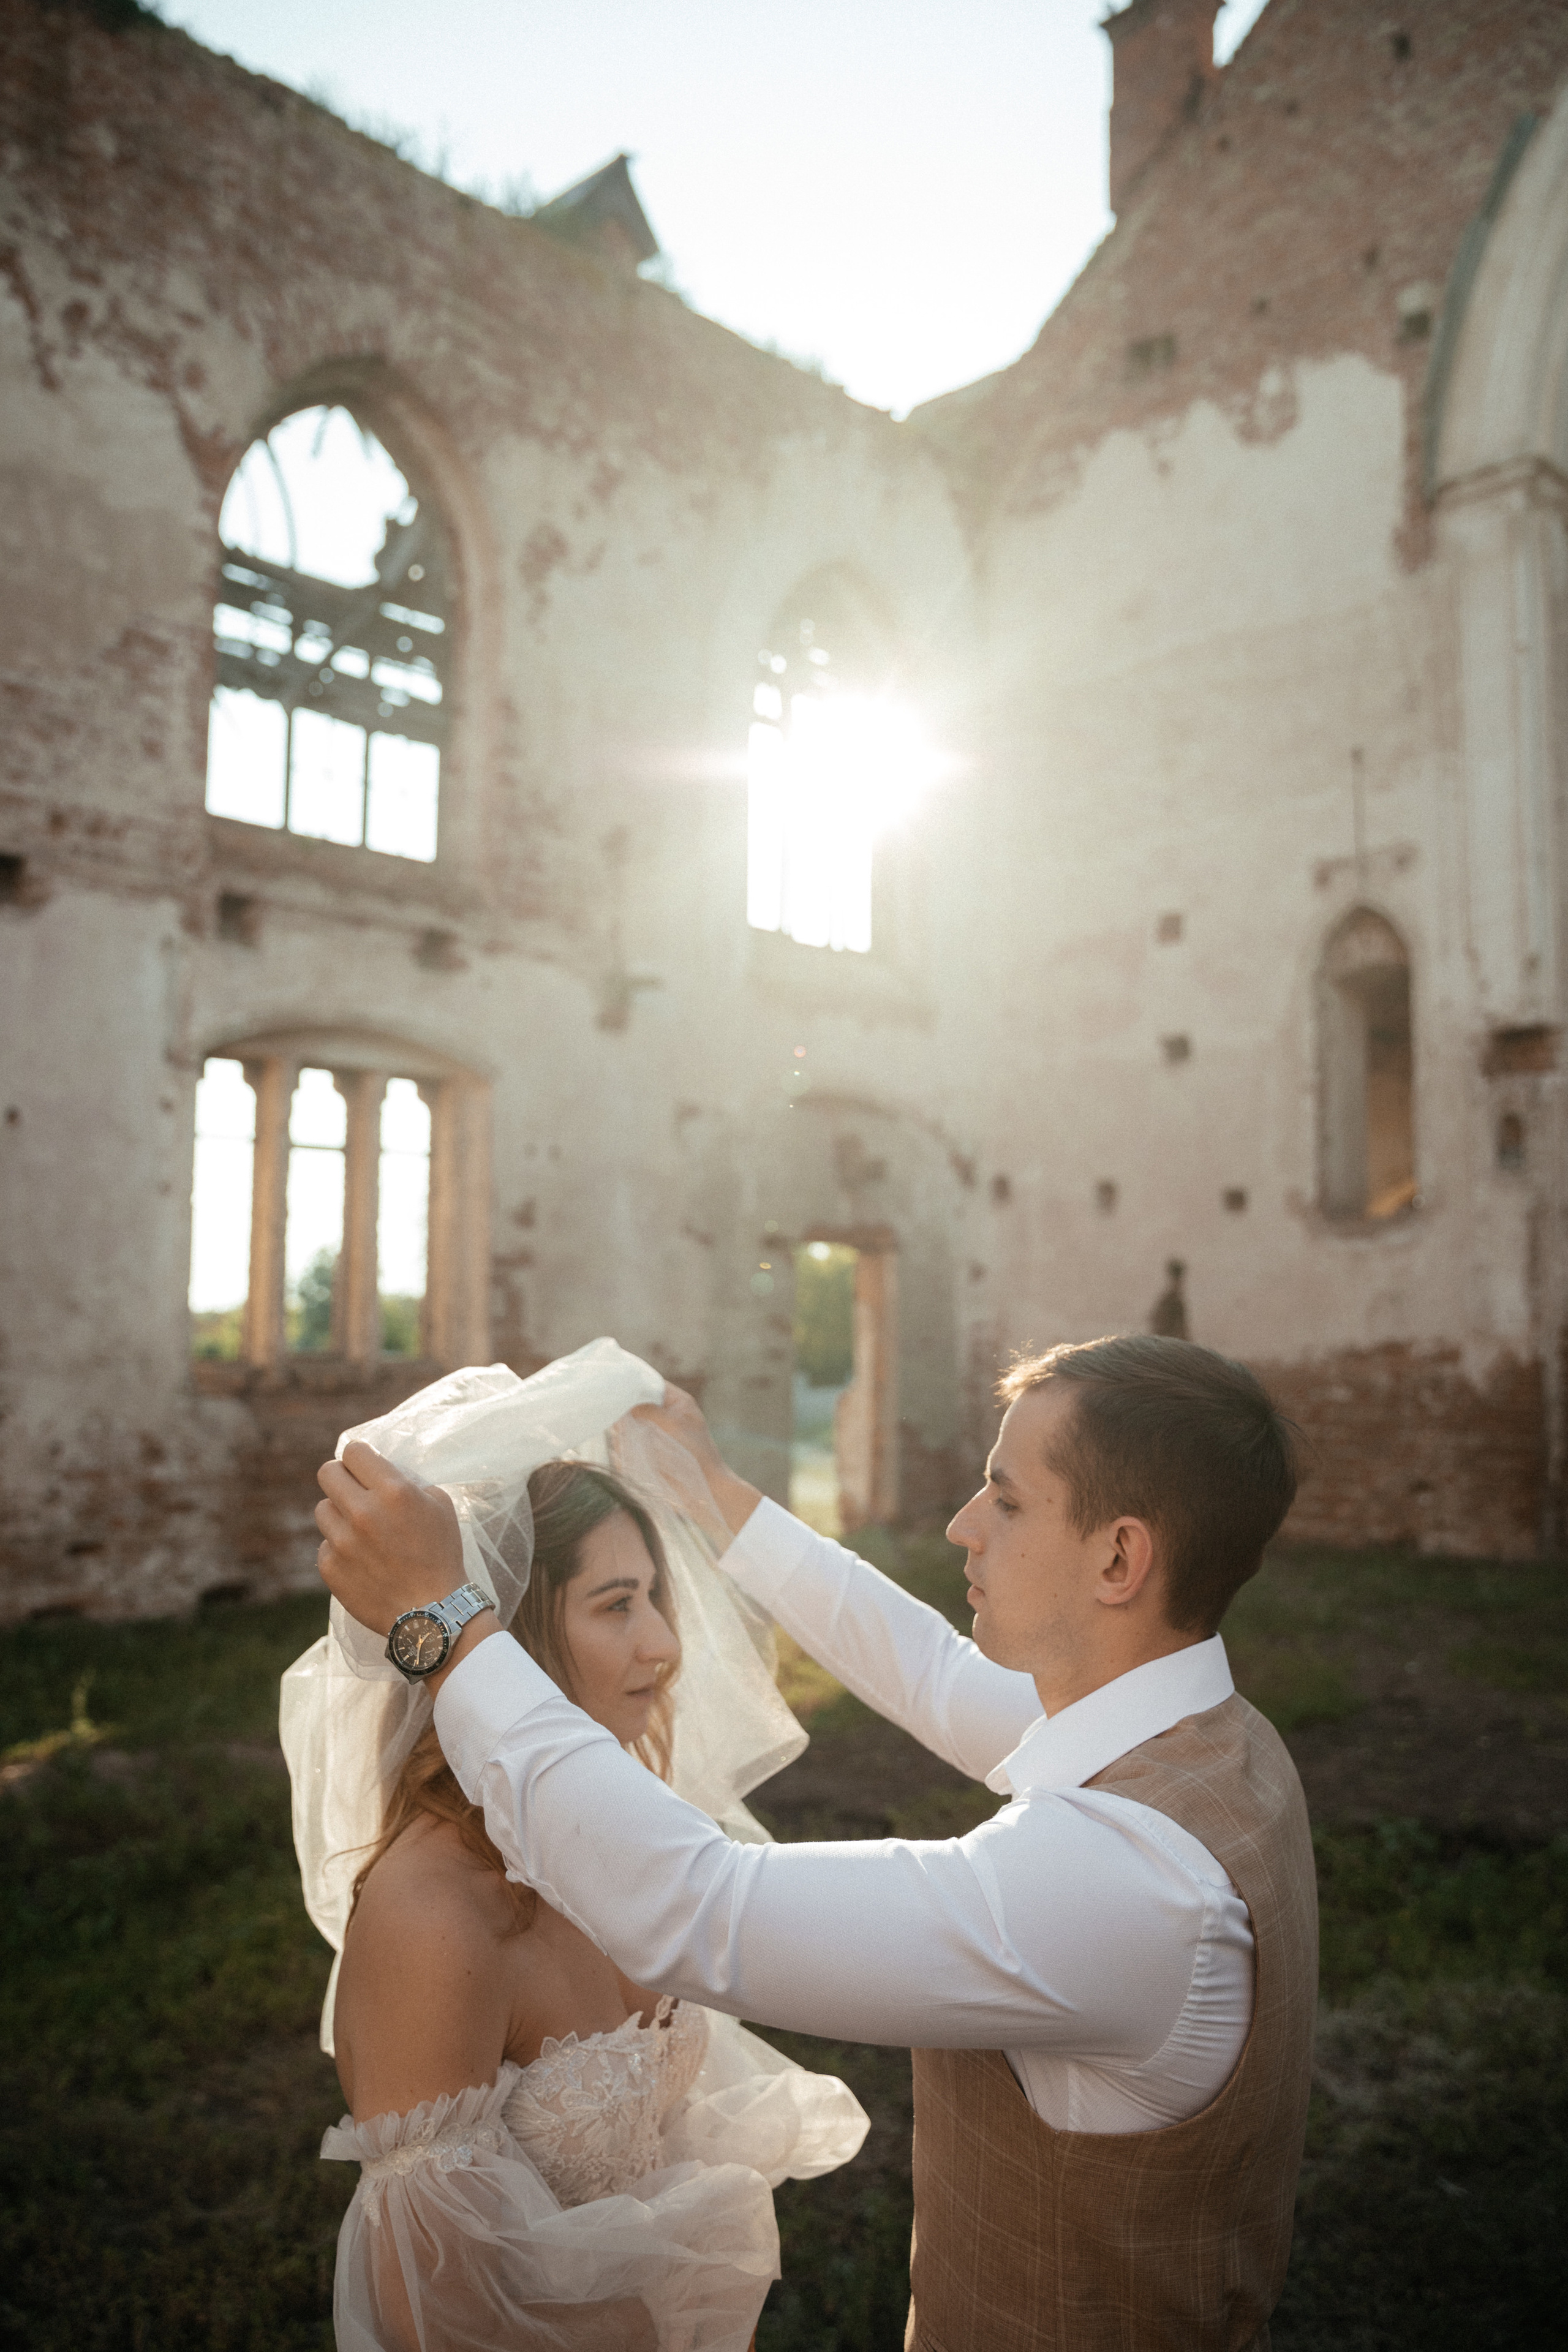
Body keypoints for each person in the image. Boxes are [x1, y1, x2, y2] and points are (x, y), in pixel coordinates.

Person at [316, 1332, 1318, 2352]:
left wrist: (441, 1624)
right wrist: (710, 1490)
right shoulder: (1206, 1741)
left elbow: (703, 1909)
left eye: (1008, 1500)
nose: (964, 1524)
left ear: (1120, 1557)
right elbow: (928, 1670)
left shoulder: (1127, 1884)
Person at [282, 1344, 868, 2352]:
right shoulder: (435, 1917)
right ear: (511, 1636)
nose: (664, 1645)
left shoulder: (625, 1841)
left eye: (654, 1597)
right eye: (615, 1605)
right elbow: (439, 2313)